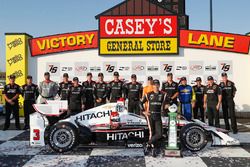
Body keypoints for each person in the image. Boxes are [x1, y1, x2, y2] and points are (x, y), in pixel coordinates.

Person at [140, 79, 169, 157]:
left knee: (159, 133)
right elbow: (140, 103)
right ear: (152, 86)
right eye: (154, 85)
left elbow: (170, 102)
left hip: (158, 115)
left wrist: (168, 105)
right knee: (151, 132)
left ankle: (148, 144)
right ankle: (153, 148)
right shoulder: (148, 94)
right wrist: (143, 111)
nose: (156, 86)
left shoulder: (163, 94)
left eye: (157, 85)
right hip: (150, 115)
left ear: (159, 86)